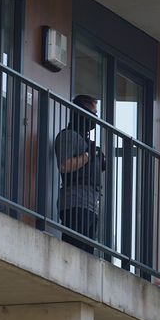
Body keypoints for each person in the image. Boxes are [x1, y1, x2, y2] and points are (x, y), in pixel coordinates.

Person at [54, 94, 105, 252]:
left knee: (86, 257)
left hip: (91, 206)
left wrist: (97, 158)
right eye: (93, 113)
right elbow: (64, 165)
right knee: (73, 253)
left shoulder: (86, 142)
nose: (95, 119)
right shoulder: (68, 136)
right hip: (75, 203)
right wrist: (88, 156)